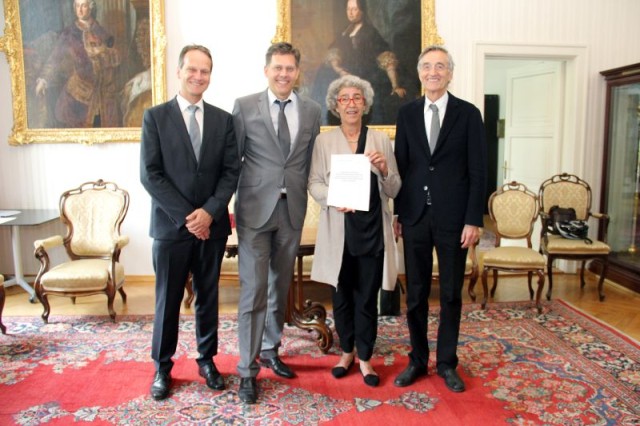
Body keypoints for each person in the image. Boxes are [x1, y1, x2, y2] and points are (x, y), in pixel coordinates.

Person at [140, 44, 240, 401]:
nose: (199, 76)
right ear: (179, 72)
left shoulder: (223, 120)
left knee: (208, 296)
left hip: (211, 227)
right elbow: (150, 175)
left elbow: (231, 173)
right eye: (192, 70)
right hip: (171, 228)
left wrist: (209, 213)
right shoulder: (155, 117)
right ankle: (162, 368)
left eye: (205, 71)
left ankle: (207, 360)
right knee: (167, 299)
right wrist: (188, 217)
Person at [393, 45, 487, 392]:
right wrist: (400, 212)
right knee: (415, 294)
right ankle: (417, 360)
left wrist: (473, 219)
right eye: (428, 66)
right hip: (415, 216)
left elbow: (478, 170)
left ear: (450, 73)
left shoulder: (468, 114)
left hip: (454, 219)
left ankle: (447, 363)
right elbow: (402, 166)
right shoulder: (407, 113)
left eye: (441, 66)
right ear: (420, 73)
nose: (434, 72)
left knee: (450, 293)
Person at [232, 42, 321, 404]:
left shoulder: (312, 110)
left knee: (278, 287)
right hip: (254, 210)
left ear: (297, 72)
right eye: (277, 68)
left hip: (292, 210)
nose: (284, 74)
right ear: (266, 70)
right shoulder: (244, 106)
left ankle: (270, 348)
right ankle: (246, 370)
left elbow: (314, 161)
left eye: (290, 68)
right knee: (253, 290)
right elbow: (231, 161)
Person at [308, 75, 400, 387]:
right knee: (342, 295)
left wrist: (385, 169)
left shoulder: (381, 140)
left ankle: (365, 359)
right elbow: (314, 184)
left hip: (372, 231)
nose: (350, 103)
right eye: (344, 98)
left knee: (366, 297)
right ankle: (345, 352)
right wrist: (334, 197)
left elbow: (395, 188)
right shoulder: (324, 141)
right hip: (339, 232)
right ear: (335, 106)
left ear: (365, 104)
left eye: (356, 98)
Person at [311, 0, 409, 125]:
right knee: (324, 74)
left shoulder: (370, 32)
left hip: (366, 74)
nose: (351, 13)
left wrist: (395, 86)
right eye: (348, 9)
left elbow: (386, 57)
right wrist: (339, 69)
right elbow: (334, 53)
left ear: (362, 11)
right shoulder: (345, 32)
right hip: (345, 72)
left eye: (354, 9)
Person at [35, 0, 121, 128]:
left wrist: (107, 55)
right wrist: (43, 79)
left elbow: (114, 57)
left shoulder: (102, 32)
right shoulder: (69, 33)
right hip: (79, 94)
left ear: (90, 8)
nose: (80, 10)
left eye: (84, 6)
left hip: (103, 95)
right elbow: (55, 57)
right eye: (77, 6)